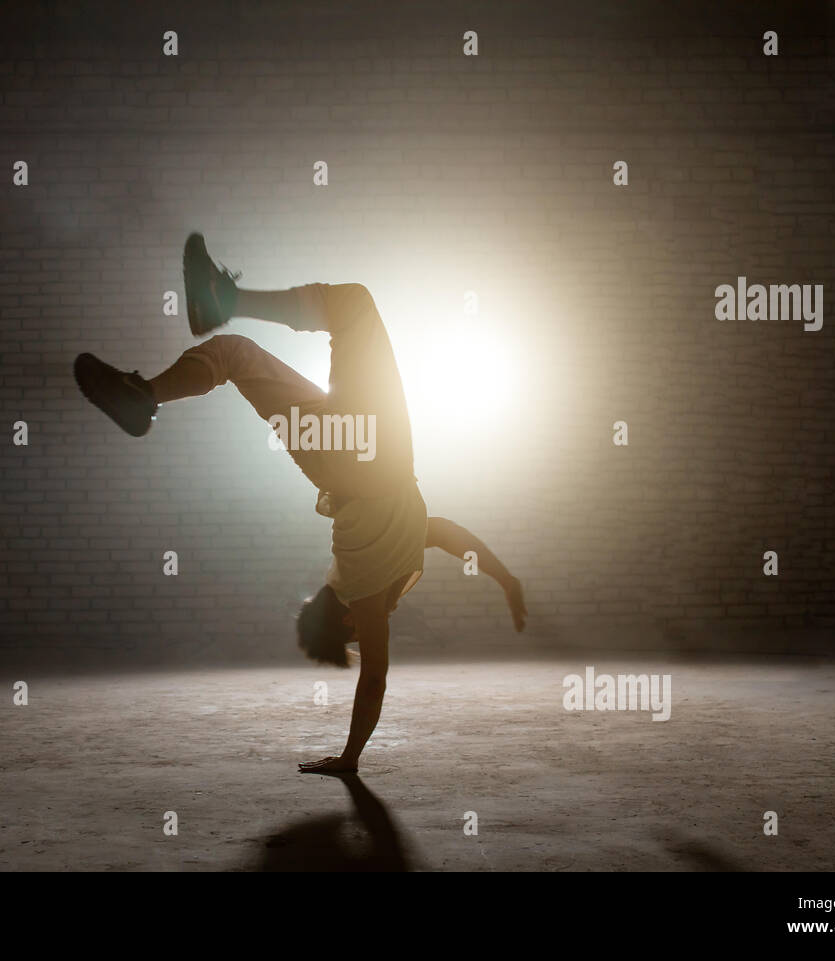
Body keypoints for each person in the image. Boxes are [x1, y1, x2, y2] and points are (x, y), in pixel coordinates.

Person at [74, 234, 527, 773]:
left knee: (351, 307)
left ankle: (185, 348)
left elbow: (377, 675)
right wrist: (505, 578)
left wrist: (350, 759)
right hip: (341, 450)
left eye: (357, 635)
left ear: (349, 625)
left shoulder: (364, 589)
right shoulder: (380, 570)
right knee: (237, 353)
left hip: (370, 455)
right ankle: (145, 391)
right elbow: (448, 533)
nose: (375, 631)